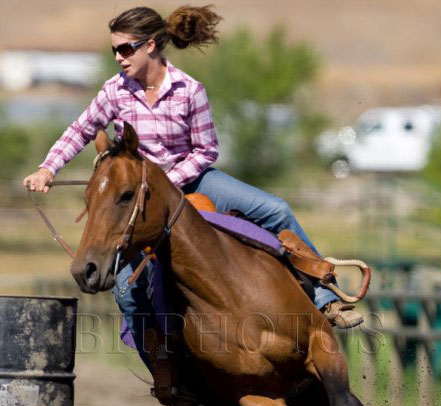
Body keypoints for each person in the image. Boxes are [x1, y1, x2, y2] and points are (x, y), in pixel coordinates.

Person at [23, 5, 363, 371]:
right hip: (140, 196)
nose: (119, 58)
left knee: (276, 209)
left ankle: (327, 298)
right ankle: (165, 375)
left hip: (192, 178)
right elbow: (81, 131)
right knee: (126, 292)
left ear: (150, 46)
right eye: (114, 51)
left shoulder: (189, 91)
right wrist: (47, 167)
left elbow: (206, 150)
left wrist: (169, 181)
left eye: (125, 49)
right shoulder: (114, 92)